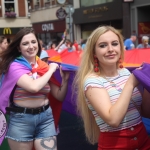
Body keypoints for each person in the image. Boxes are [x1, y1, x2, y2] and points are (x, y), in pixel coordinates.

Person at [74, 26, 150, 149]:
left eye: (114, 44)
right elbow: (113, 120)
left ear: (120, 47)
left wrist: (147, 80)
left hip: (144, 142)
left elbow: (146, 112)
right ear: (94, 52)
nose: (110, 49)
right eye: (103, 45)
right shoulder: (92, 81)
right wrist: (131, 84)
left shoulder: (125, 72)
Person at [0, 28, 69, 150]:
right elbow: (33, 87)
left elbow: (59, 96)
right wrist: (51, 69)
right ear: (18, 48)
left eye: (33, 42)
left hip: (46, 119)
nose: (31, 46)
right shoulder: (15, 66)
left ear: (38, 43)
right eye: (25, 43)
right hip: (21, 121)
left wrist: (65, 80)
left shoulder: (43, 67)